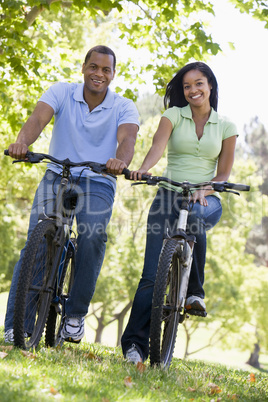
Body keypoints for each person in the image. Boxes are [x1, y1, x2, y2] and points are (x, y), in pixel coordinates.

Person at [4, 45, 139, 344]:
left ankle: (75, 315)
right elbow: (38, 120)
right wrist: (22, 143)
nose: (98, 74)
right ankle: (17, 325)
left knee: (92, 236)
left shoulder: (124, 106)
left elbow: (127, 138)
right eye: (93, 67)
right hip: (57, 173)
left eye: (105, 69)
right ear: (83, 67)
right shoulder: (61, 92)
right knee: (35, 244)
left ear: (113, 74)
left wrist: (120, 161)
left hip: (99, 181)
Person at [121, 61, 238, 364]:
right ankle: (134, 347)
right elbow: (158, 146)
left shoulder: (226, 126)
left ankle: (193, 292)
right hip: (169, 194)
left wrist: (207, 189)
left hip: (205, 197)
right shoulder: (173, 115)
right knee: (150, 276)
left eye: (198, 83)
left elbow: (223, 174)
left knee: (197, 219)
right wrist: (143, 170)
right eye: (187, 86)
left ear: (210, 85)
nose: (192, 90)